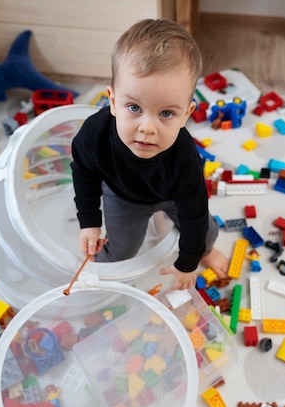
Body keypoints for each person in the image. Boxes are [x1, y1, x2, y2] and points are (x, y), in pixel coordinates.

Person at [70, 19, 228, 290]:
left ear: (186, 115)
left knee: (206, 230)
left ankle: (205, 252)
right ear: (113, 101)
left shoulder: (184, 157)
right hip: (123, 196)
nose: (147, 128)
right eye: (133, 107)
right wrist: (90, 223)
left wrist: (188, 262)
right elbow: (84, 173)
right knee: (121, 251)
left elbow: (194, 214)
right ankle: (101, 274)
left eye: (166, 113)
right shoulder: (94, 134)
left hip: (171, 198)